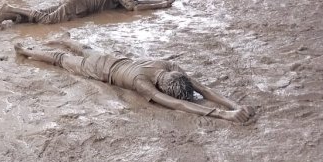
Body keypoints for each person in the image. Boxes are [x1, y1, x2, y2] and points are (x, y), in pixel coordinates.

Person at [14, 35, 255, 124]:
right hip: (97, 70)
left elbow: (202, 89)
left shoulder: (168, 66)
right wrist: (225, 114)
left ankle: (65, 38)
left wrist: (235, 106)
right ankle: (26, 52)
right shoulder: (143, 84)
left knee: (85, 48)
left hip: (110, 58)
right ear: (163, 86)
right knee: (59, 58)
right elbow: (180, 104)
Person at [0, 0, 174, 26]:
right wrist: (161, 6)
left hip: (76, 2)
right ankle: (10, 8)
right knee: (47, 21)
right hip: (77, 5)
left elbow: (137, 3)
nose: (128, 0)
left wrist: (161, 0)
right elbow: (134, 7)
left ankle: (11, 17)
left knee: (41, 14)